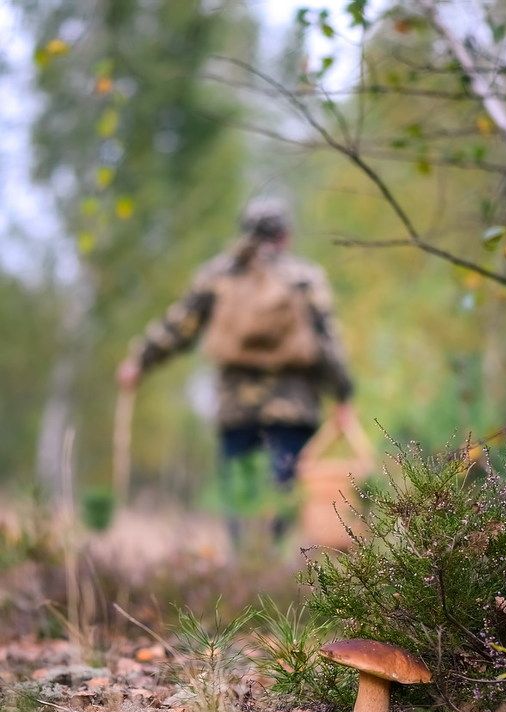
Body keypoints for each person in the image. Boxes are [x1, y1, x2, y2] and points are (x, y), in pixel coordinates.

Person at [116, 198, 355, 543]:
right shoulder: (305, 279)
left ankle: (240, 569)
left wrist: (139, 361)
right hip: (292, 406)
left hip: (236, 406)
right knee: (284, 492)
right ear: (285, 235)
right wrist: (343, 394)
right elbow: (328, 342)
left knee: (239, 494)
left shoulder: (217, 276)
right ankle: (278, 570)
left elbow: (180, 327)